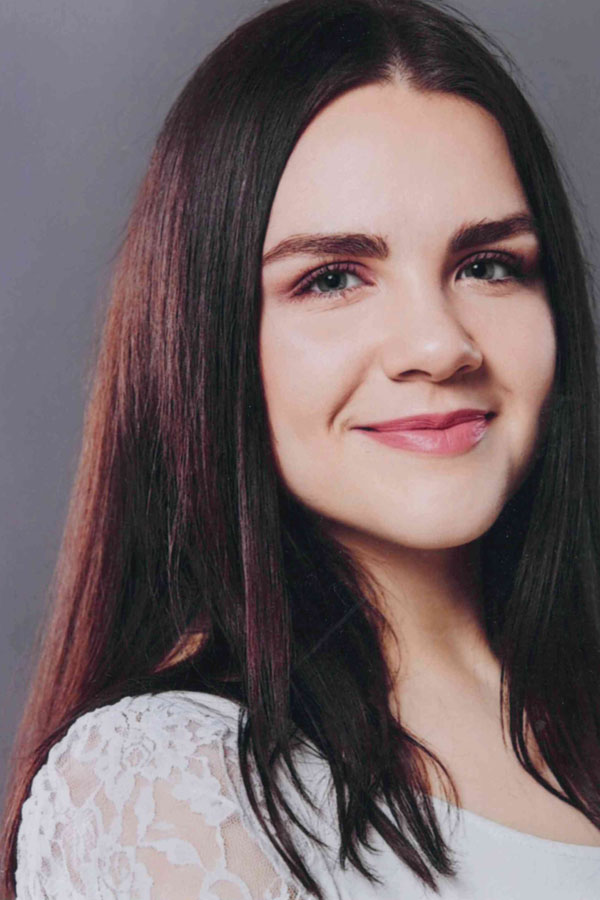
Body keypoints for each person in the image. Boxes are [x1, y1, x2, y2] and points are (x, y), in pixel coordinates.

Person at [3, 0, 600, 896]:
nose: (439, 345)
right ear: (210, 341)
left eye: (488, 265)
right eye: (332, 279)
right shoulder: (168, 793)